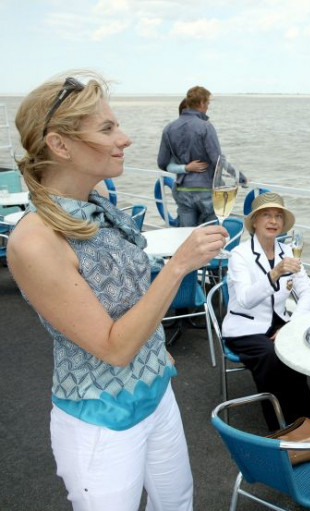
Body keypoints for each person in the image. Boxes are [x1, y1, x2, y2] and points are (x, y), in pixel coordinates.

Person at [7, 72, 229, 510]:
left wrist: (156, 349)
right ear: (60, 145)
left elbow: (127, 300)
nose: (124, 138)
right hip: (100, 423)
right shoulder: (35, 241)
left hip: (156, 394)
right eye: (107, 128)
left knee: (178, 503)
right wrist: (179, 265)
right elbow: (113, 348)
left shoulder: (98, 207)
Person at [221, 192, 310, 430]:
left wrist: (292, 325)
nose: (273, 221)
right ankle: (281, 427)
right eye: (266, 215)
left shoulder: (288, 251)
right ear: (254, 221)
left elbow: (309, 293)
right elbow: (245, 300)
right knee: (272, 355)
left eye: (278, 216)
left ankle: (305, 422)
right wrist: (274, 273)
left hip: (279, 322)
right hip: (245, 327)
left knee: (295, 346)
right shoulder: (239, 255)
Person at [156, 85, 226, 226]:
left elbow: (162, 163)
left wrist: (185, 168)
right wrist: (240, 177)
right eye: (207, 103)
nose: (208, 107)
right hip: (206, 190)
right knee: (209, 234)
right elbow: (217, 160)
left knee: (187, 234)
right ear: (201, 103)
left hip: (183, 190)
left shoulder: (169, 128)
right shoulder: (206, 126)